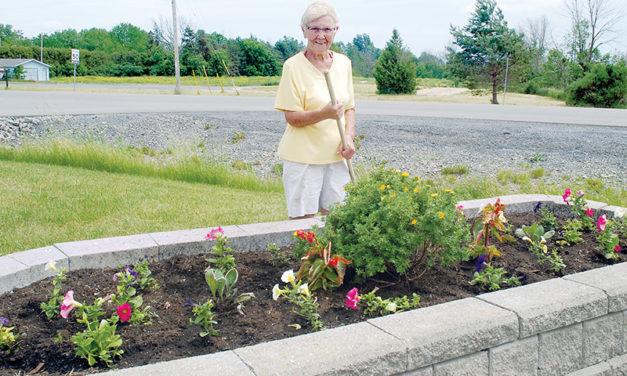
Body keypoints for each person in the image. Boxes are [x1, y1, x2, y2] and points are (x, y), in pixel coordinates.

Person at [274, 0, 356, 220]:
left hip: (337, 157)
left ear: (335, 31)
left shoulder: (344, 63)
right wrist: (324, 113)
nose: (321, 35)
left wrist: (348, 137)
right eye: (315, 28)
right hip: (303, 160)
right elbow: (291, 117)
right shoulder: (293, 66)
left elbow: (349, 108)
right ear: (304, 31)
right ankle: (312, 257)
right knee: (304, 226)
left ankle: (331, 257)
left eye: (327, 29)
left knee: (338, 220)